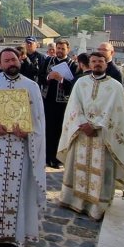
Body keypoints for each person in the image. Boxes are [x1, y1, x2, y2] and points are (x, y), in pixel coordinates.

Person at [58, 51, 124, 220]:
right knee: (77, 165)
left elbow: (116, 111)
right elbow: (74, 106)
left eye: (100, 61)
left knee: (101, 170)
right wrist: (82, 122)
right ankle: (73, 201)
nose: (97, 64)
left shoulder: (115, 86)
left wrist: (96, 124)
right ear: (89, 64)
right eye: (94, 61)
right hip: (81, 132)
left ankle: (96, 206)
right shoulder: (80, 83)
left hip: (103, 136)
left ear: (106, 64)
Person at [0, 48, 47, 247]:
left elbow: (39, 120)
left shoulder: (32, 86)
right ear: (0, 64)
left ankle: (16, 235)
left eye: (14, 59)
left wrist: (28, 131)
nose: (11, 63)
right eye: (6, 60)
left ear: (19, 61)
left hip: (21, 149)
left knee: (17, 193)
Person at [40, 39, 78, 169]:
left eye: (63, 49)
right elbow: (40, 77)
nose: (60, 51)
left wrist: (61, 79)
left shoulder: (73, 64)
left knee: (59, 130)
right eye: (58, 48)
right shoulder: (48, 61)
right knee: (47, 129)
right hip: (48, 100)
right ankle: (46, 156)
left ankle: (56, 158)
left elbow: (74, 84)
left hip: (62, 103)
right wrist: (48, 78)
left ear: (68, 49)